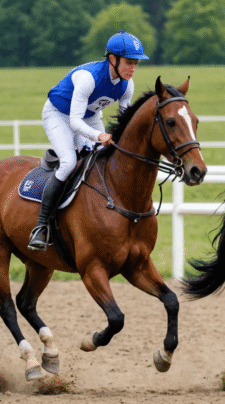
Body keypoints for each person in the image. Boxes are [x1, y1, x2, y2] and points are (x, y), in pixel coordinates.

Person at [27, 30, 148, 251]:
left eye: (136, 63)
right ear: (113, 59)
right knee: (69, 163)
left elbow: (125, 122)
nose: (133, 68)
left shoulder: (127, 85)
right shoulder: (88, 78)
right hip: (59, 114)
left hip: (90, 117)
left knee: (104, 157)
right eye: (129, 62)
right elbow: (74, 122)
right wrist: (100, 136)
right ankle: (41, 226)